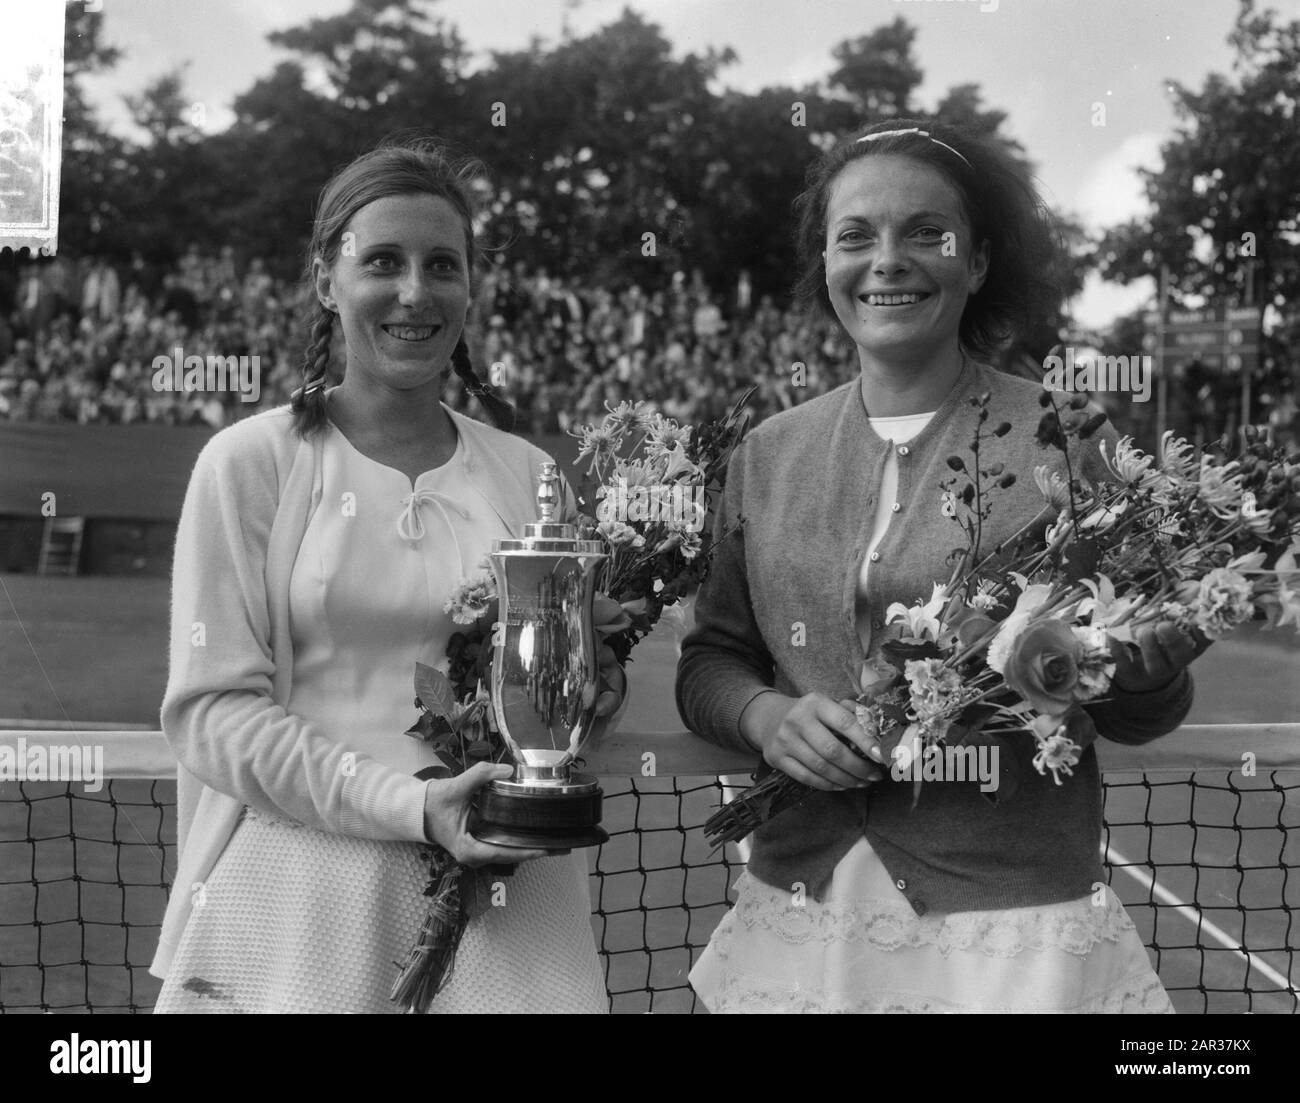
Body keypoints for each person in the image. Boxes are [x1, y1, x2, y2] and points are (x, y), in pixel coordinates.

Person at [676, 120, 1203, 1014]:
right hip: (804, 913)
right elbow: (710, 660)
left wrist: (1144, 674)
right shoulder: (765, 455)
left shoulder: (1073, 442)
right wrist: (766, 716)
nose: (889, 260)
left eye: (928, 232)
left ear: (979, 261)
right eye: (857, 236)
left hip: (1015, 937)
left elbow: (1143, 712)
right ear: (827, 265)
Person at [149, 138, 626, 1013]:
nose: (415, 291)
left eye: (442, 264)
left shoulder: (529, 474)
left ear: (472, 287)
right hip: (299, 898)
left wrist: (595, 686)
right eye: (383, 262)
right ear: (327, 280)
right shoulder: (247, 464)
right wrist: (411, 805)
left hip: (512, 906)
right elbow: (210, 713)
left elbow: (566, 694)